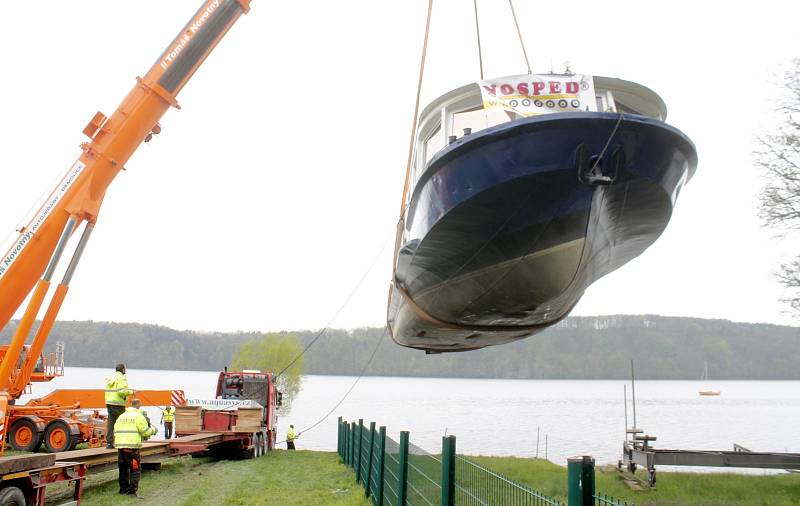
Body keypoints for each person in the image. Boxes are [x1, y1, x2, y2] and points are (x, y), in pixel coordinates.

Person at [114, 399, 157, 497]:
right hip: (132, 448)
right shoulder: (138, 416)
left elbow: (115, 429)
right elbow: (145, 432)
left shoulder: (122, 416)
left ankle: (123, 490)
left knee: (123, 469)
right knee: (135, 470)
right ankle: (132, 491)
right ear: (139, 406)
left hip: (120, 447)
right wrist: (153, 430)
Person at [105, 363, 133, 449]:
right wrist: (131, 392)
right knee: (122, 423)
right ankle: (122, 442)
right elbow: (121, 391)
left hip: (109, 403)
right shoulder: (122, 378)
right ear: (123, 370)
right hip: (118, 404)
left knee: (111, 423)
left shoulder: (111, 378)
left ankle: (109, 443)